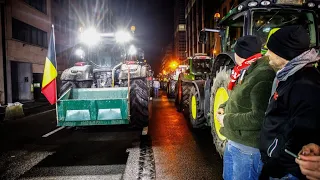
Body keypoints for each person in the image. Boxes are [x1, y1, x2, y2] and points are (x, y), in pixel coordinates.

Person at [259, 25, 320, 179]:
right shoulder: (289, 76)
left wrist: (274, 162)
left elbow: (302, 135)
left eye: (271, 50)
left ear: (284, 53)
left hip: (286, 172)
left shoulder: (305, 84)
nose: (267, 55)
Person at [216, 35, 275, 180]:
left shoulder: (263, 75)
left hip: (246, 149)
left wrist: (226, 120)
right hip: (234, 141)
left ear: (239, 54)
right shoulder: (246, 70)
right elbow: (239, 96)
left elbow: (259, 117)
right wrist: (224, 106)